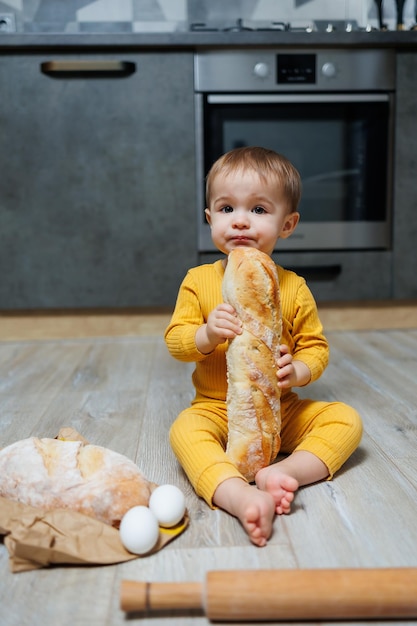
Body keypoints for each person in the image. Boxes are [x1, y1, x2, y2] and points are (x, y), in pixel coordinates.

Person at [164, 146, 363, 547]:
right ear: (209, 219)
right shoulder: (199, 280)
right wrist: (205, 335)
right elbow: (176, 341)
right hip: (215, 407)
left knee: (346, 420)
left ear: (286, 224)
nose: (239, 220)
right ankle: (236, 494)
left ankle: (286, 473)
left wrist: (300, 370)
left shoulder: (293, 288)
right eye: (225, 209)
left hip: (278, 407)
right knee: (184, 431)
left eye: (258, 210)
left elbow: (315, 348)